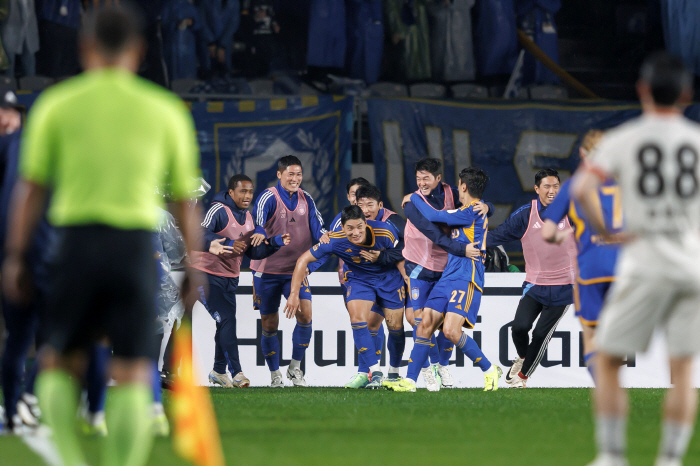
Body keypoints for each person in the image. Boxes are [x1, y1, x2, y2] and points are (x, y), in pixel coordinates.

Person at [1, 6, 203, 466]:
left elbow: (30, 191)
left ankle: (70, 459)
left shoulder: (57, 105)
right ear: (138, 51)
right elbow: (184, 200)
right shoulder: (165, 110)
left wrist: (15, 254)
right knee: (133, 365)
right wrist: (193, 262)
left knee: (57, 357)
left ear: (85, 47)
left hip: (74, 244)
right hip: (134, 247)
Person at [573, 52, 700, 466]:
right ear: (686, 94)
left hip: (645, 261)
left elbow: (580, 189)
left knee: (607, 359)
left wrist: (606, 231)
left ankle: (612, 455)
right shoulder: (696, 141)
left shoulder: (624, 138)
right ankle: (670, 459)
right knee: (682, 371)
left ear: (642, 90)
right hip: (691, 264)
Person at [385, 167, 502, 392]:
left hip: (467, 278)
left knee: (450, 331)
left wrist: (412, 199)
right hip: (449, 275)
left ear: (464, 186)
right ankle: (409, 381)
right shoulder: (477, 208)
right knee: (425, 324)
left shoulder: (471, 212)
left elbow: (433, 216)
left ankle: (489, 370)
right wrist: (489, 205)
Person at [284, 205, 403, 388]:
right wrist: (293, 294)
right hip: (359, 280)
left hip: (389, 279)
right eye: (350, 228)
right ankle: (375, 371)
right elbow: (303, 260)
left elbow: (403, 255)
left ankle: (394, 374)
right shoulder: (335, 239)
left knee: (395, 328)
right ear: (342, 227)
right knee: (358, 320)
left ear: (365, 223)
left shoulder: (384, 231)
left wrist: (409, 281)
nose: (356, 232)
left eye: (359, 227)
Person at [191, 174, 290, 388]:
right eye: (243, 191)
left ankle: (218, 370)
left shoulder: (249, 218)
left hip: (230, 279)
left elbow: (253, 253)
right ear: (231, 193)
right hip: (205, 275)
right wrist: (227, 242)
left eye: (250, 191)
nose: (247, 195)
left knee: (224, 322)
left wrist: (274, 242)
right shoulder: (218, 210)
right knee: (227, 320)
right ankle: (237, 373)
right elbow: (198, 233)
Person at [483, 168, 576, 388]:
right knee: (519, 328)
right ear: (536, 189)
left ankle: (522, 378)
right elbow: (498, 235)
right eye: (547, 186)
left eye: (556, 186)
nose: (552, 191)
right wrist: (466, 242)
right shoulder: (526, 214)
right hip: (534, 284)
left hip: (565, 286)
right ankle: (523, 358)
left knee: (541, 334)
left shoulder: (573, 212)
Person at [541, 130, 620, 383]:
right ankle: (613, 380)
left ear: (583, 153)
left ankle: (604, 389)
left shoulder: (575, 185)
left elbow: (547, 232)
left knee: (591, 337)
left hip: (591, 268)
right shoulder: (625, 181)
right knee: (616, 336)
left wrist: (564, 236)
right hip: (624, 268)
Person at [251, 155, 327, 388]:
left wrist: (324, 236)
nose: (295, 179)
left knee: (305, 315)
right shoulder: (268, 197)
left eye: (299, 174)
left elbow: (318, 226)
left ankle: (295, 368)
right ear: (279, 175)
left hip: (296, 271)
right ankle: (275, 375)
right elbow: (258, 221)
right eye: (291, 174)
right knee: (269, 324)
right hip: (267, 271)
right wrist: (260, 231)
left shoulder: (307, 199)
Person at [350, 185, 406, 388]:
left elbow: (409, 249)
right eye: (361, 204)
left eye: (370, 205)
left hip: (395, 280)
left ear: (380, 205)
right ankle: (367, 373)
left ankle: (395, 371)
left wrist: (382, 257)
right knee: (369, 324)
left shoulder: (394, 221)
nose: (365, 209)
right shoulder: (353, 221)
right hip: (368, 281)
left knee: (397, 328)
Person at [1, 0, 39, 78]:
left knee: (29, 65)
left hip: (28, 33)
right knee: (9, 66)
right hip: (10, 32)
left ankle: (31, 87)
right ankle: (9, 88)